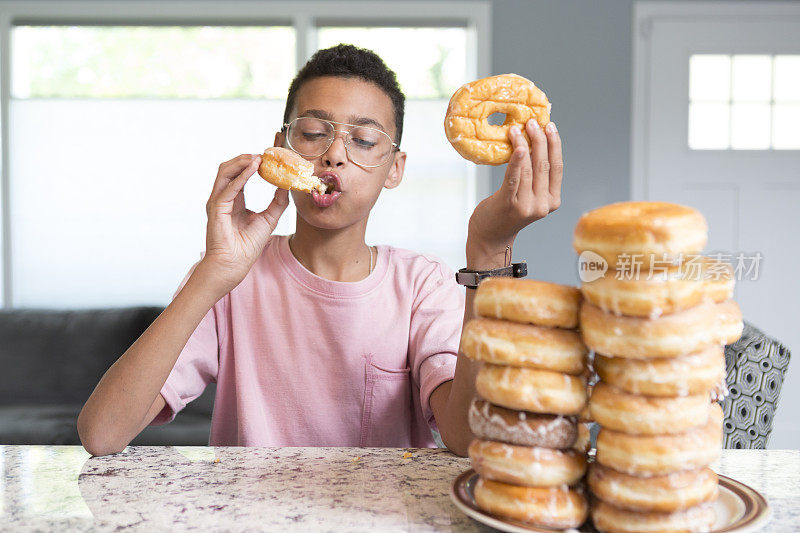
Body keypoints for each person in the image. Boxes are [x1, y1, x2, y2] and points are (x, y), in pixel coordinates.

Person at [77, 44, 562, 457]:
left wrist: (489, 251)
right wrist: (215, 270)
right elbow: (102, 434)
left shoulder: (422, 285)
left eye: (365, 139)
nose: (333, 154)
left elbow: (467, 436)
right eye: (313, 133)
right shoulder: (230, 279)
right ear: (281, 148)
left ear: (394, 168)